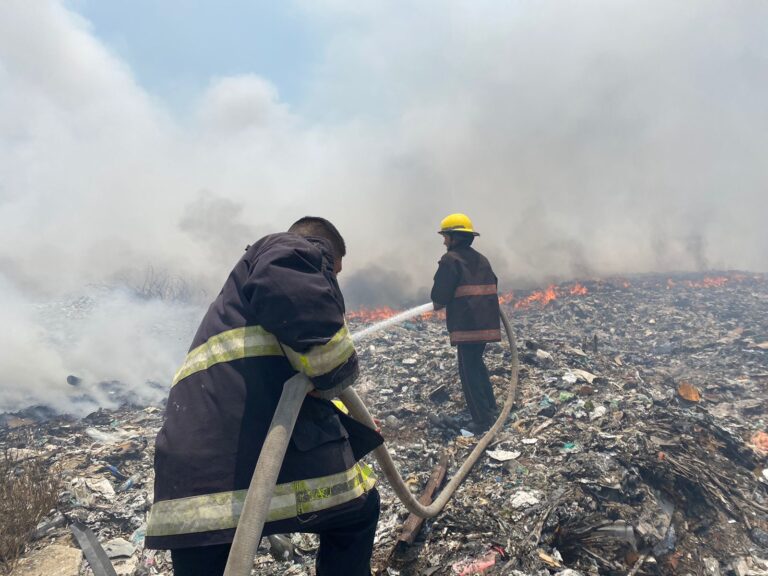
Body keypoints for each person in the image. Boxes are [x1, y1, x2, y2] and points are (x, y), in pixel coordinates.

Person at [145, 217, 383, 576]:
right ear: (325, 250)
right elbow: (324, 359)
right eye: (332, 271)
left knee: (210, 553)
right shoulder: (291, 248)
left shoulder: (229, 311)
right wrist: (337, 368)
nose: (329, 279)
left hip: (187, 482)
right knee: (358, 512)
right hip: (247, 459)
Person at [430, 213, 501, 433]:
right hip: (486, 324)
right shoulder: (482, 259)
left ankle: (481, 420)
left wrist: (439, 302)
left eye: (446, 237)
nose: (444, 241)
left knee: (468, 372)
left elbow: (440, 294)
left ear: (454, 238)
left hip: (468, 327)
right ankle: (490, 408)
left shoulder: (451, 261)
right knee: (477, 365)